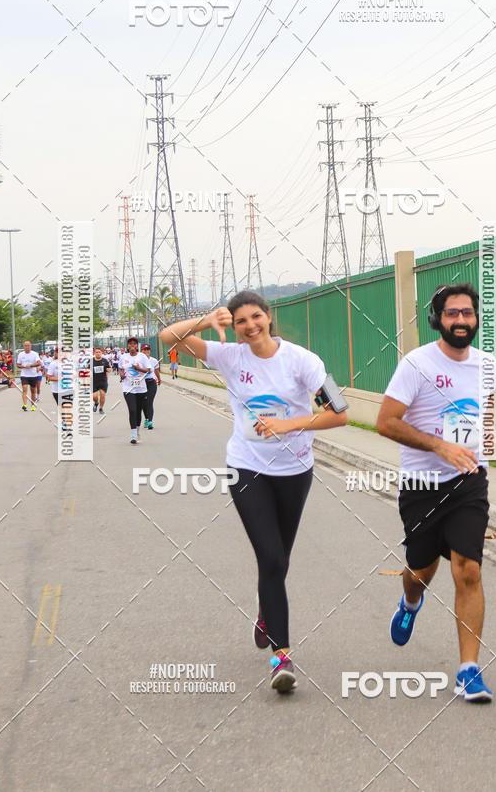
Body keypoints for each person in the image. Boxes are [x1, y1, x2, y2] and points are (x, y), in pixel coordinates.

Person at [160, 291, 348, 694]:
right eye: (241, 321)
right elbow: (167, 337)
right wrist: (207, 322)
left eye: (256, 317)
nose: (249, 326)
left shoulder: (303, 361)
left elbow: (340, 413)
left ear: (268, 317)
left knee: (279, 560)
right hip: (246, 467)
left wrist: (289, 425)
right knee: (270, 557)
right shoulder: (230, 357)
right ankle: (282, 656)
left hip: (295, 469)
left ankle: (266, 611)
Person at [377, 283, 496, 703]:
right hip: (422, 486)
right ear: (437, 319)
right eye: (452, 314)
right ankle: (410, 604)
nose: (461, 321)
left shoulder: (489, 364)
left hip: (468, 482)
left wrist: (481, 449)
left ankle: (468, 670)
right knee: (420, 569)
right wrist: (439, 444)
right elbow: (386, 421)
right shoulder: (417, 364)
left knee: (469, 569)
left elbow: (490, 417)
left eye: (467, 313)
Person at [119, 337, 150, 443]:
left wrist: (138, 369)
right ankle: (133, 435)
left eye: (134, 344)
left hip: (141, 388)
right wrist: (122, 374)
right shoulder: (123, 357)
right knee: (132, 410)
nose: (132, 346)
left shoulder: (142, 357)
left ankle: (137, 431)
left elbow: (148, 370)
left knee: (138, 411)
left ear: (137, 346)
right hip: (128, 388)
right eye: (130, 344)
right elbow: (120, 368)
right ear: (128, 346)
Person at [17, 341, 42, 411]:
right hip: (24, 375)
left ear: (30, 346)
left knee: (33, 391)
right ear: (24, 346)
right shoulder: (21, 354)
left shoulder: (34, 354)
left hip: (33, 375)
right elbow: (18, 364)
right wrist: (23, 366)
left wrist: (31, 365)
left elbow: (39, 363)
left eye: (28, 345)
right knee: (24, 389)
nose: (27, 347)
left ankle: (32, 405)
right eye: (25, 346)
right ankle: (25, 405)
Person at [141, 343, 161, 429]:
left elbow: (156, 371)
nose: (146, 351)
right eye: (144, 350)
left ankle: (150, 421)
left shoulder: (154, 360)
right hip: (142, 383)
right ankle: (146, 418)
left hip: (151, 382)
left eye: (148, 350)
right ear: (141, 351)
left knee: (149, 402)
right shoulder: (138, 360)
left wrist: (159, 379)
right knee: (143, 403)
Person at [92, 348, 111, 414]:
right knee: (94, 397)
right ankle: (96, 403)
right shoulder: (91, 361)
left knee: (102, 395)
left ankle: (101, 408)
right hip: (94, 381)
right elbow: (87, 369)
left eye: (99, 352)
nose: (98, 353)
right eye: (96, 352)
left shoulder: (105, 361)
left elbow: (109, 369)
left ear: (101, 353)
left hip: (103, 381)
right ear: (94, 353)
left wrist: (108, 369)